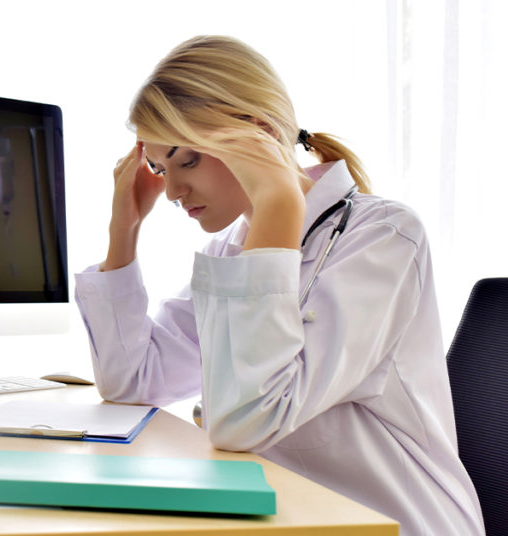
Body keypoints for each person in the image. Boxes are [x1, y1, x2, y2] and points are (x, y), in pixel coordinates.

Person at [74, 35, 484, 535]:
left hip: (396, 522)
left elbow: (249, 419)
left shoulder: (383, 239)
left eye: (187, 160)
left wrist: (277, 202)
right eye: (160, 168)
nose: (174, 190)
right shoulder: (229, 251)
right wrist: (124, 231)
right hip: (290, 516)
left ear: (260, 133)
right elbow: (132, 383)